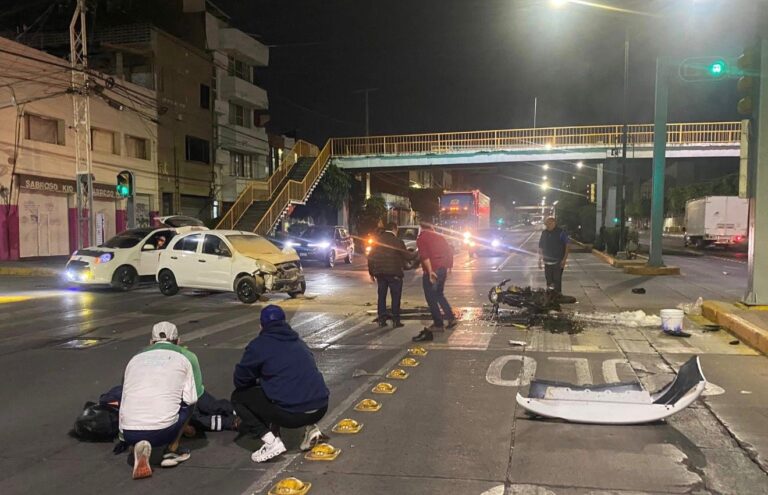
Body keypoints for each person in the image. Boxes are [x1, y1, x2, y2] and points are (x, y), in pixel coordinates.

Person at [231, 305, 330, 463]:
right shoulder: (298, 341)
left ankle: (271, 442)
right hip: (321, 407)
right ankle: (312, 429)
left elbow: (240, 380)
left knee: (238, 397)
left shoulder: (259, 345)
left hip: (293, 415)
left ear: (261, 325)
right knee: (291, 384)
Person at [119, 322, 203, 480]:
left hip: (129, 432)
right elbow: (193, 397)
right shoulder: (187, 357)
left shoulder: (135, 358)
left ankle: (135, 445)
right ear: (178, 341)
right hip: (162, 431)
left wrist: (124, 437)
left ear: (151, 341)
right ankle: (172, 449)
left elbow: (124, 396)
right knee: (190, 402)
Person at [412, 223, 457, 342]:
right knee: (439, 294)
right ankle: (451, 317)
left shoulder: (422, 238)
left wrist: (430, 271)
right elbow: (449, 252)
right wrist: (448, 267)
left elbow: (425, 256)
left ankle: (438, 324)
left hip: (433, 270)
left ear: (422, 228)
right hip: (442, 269)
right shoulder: (440, 237)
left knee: (431, 297)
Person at [368, 222, 410, 328]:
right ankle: (396, 320)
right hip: (394, 273)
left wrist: (371, 272)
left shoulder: (376, 240)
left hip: (380, 273)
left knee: (381, 296)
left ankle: (382, 319)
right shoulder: (398, 241)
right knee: (395, 296)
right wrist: (418, 254)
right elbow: (407, 256)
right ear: (394, 229)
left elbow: (370, 257)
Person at [538, 217, 569, 294]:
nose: (548, 225)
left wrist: (564, 259)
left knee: (557, 280)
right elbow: (541, 247)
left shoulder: (561, 232)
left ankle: (558, 295)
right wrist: (539, 260)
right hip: (547, 262)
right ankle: (550, 295)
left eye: (550, 223)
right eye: (546, 224)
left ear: (554, 223)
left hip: (558, 261)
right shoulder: (544, 233)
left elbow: (567, 245)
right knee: (549, 280)